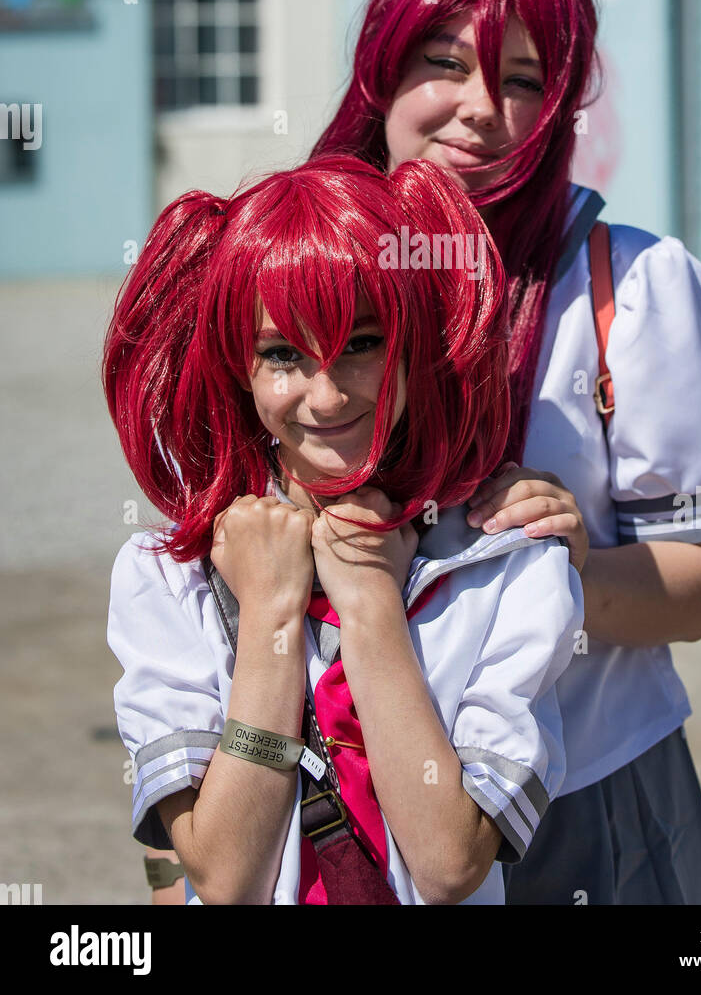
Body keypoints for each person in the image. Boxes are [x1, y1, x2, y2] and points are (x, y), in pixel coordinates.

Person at [311, 0, 701, 904]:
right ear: (382, 71)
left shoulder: (627, 282)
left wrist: (556, 566)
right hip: (338, 785)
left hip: (583, 799)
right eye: (443, 63)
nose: (479, 109)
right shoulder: (302, 262)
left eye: (521, 79)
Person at [104, 155, 584, 905]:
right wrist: (268, 615)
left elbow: (451, 862)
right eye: (283, 354)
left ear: (413, 344)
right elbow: (225, 877)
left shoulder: (509, 567)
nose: (325, 397)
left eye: (360, 343)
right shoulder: (167, 574)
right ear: (240, 367)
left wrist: (369, 606)